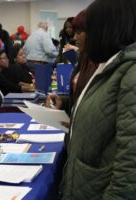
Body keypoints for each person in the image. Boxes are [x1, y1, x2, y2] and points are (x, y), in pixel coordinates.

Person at [61, 0, 136, 199]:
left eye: (89, 28)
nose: (78, 37)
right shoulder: (110, 66)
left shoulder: (131, 72)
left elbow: (131, 163)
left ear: (107, 29)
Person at [45, 10, 97, 116]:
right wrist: (64, 102)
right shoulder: (85, 59)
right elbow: (81, 98)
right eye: (68, 28)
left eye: (78, 32)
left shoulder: (99, 64)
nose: (74, 37)